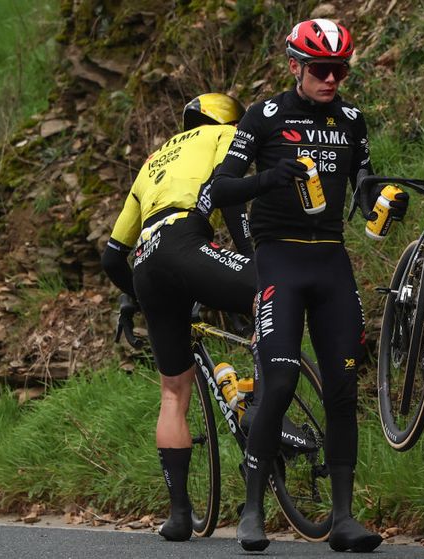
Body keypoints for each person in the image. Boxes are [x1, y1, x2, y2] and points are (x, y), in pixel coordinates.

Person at [211, 18, 408, 552]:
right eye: (321, 69)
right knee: (279, 382)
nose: (331, 80)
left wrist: (384, 201)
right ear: (295, 66)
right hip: (278, 261)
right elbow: (221, 189)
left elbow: (364, 187)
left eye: (340, 70)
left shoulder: (350, 119)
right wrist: (273, 178)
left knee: (344, 389)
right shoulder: (264, 116)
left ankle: (342, 517)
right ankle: (252, 509)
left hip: (330, 262)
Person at [101, 93, 256, 542]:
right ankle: (263, 415)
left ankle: (179, 515)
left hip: (147, 263)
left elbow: (113, 258)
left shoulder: (152, 162)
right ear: (228, 119)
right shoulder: (224, 134)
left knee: (173, 394)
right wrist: (251, 262)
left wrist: (138, 300)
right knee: (270, 293)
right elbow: (229, 196)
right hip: (188, 242)